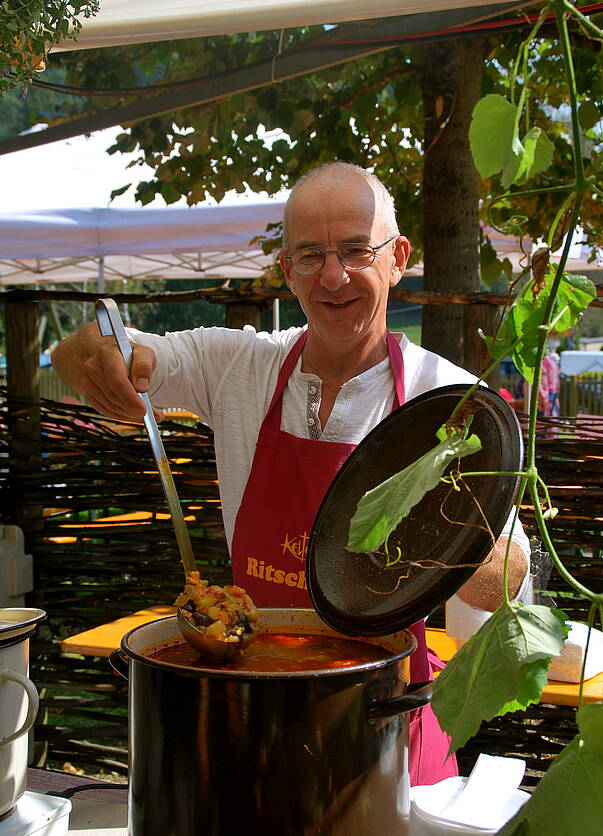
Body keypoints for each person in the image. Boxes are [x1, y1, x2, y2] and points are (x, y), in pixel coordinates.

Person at [52, 162, 530, 786]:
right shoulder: (238, 366)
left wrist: (455, 531)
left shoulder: (450, 400)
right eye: (310, 255)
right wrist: (93, 358)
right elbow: (92, 345)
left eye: (357, 250)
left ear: (398, 257)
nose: (334, 277)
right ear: (287, 270)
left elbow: (500, 587)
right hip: (258, 707)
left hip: (384, 719)